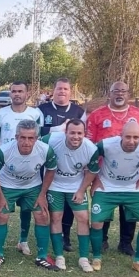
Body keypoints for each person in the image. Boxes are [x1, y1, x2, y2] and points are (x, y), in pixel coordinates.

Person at [86, 81, 139, 255]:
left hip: (132, 171)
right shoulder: (97, 115)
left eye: (123, 91)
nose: (119, 94)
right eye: (116, 91)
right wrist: (93, 176)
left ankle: (126, 243)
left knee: (130, 208)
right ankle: (102, 240)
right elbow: (89, 146)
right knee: (104, 206)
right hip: (104, 171)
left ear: (128, 94)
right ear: (110, 93)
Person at [0, 119, 57, 270]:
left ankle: (42, 255)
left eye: (31, 138)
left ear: (36, 138)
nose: (26, 142)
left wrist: (42, 194)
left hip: (32, 186)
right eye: (23, 137)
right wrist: (0, 195)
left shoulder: (45, 150)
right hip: (7, 186)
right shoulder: (4, 151)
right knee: (2, 215)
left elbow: (51, 170)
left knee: (42, 215)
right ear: (16, 137)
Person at [89, 122, 139, 274]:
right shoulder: (106, 145)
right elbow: (91, 156)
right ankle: (97, 257)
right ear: (121, 136)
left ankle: (138, 261)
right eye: (128, 137)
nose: (132, 141)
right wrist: (96, 179)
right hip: (107, 188)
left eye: (136, 137)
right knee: (97, 222)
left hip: (133, 189)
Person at [0, 81, 44, 256]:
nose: (17, 94)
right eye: (14, 91)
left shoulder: (36, 114)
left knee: (27, 208)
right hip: (5, 169)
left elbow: (40, 140)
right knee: (0, 208)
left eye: (20, 91)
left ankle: (23, 241)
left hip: (29, 170)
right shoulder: (0, 114)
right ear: (10, 94)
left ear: (26, 94)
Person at [42, 119, 99, 271]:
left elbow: (92, 171)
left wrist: (81, 190)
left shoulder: (91, 148)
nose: (76, 136)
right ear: (65, 132)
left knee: (83, 218)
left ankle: (83, 258)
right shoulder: (51, 139)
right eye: (72, 133)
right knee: (56, 217)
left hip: (76, 186)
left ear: (84, 133)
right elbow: (37, 146)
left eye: (79, 133)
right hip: (55, 185)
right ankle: (59, 256)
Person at [39, 78, 88, 253]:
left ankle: (65, 236)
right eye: (59, 88)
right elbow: (37, 132)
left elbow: (83, 134)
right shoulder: (42, 109)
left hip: (71, 163)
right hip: (48, 161)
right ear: (53, 90)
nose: (62, 91)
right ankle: (51, 235)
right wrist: (58, 129)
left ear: (70, 91)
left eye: (66, 89)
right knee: (51, 203)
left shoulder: (78, 111)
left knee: (69, 203)